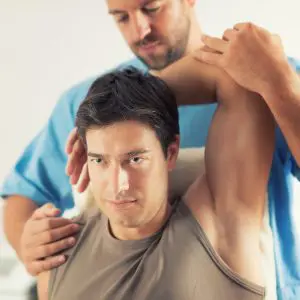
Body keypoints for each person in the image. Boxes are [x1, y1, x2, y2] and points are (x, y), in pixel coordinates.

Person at [1, 1, 299, 299]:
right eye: (121, 17)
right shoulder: (83, 102)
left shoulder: (266, 73)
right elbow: (24, 196)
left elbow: (234, 80)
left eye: (152, 8)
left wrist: (137, 99)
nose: (140, 30)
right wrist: (31, 246)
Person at [37, 62, 275, 300]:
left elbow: (241, 77)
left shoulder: (221, 225)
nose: (119, 185)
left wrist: (148, 89)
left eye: (135, 159)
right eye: (100, 161)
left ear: (170, 153)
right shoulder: (59, 254)